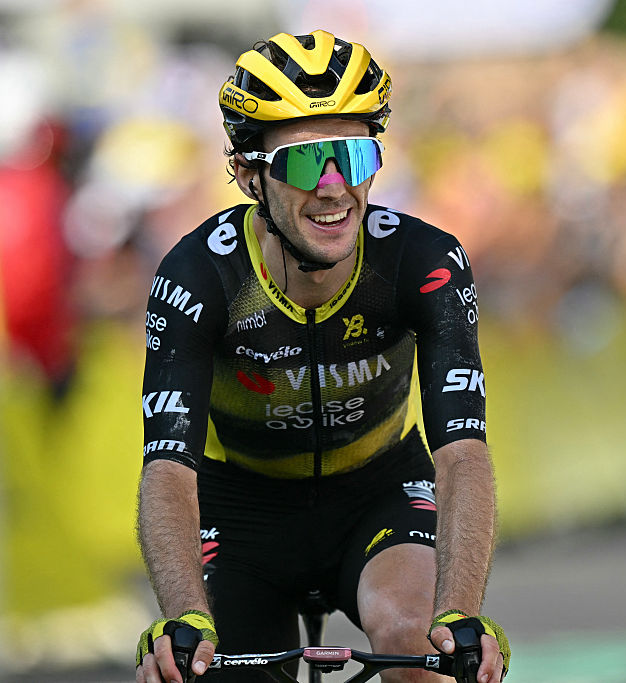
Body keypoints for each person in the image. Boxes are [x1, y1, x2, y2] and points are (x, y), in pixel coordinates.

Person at [134, 29, 509, 683]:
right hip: (241, 509)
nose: (336, 188)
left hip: (380, 490)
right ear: (250, 174)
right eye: (309, 163)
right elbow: (167, 470)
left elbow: (463, 454)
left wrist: (460, 612)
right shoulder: (199, 275)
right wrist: (186, 615)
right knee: (197, 668)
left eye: (355, 157)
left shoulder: (424, 263)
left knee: (422, 648)